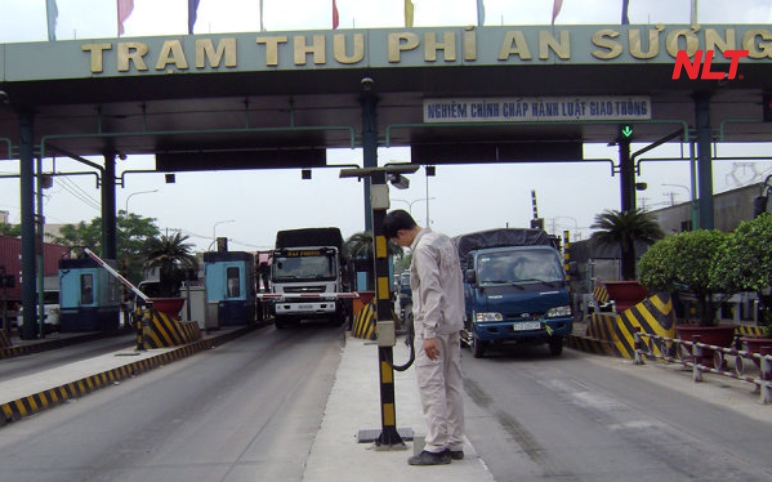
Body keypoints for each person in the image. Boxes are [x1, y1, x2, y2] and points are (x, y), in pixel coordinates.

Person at [383, 209, 466, 466]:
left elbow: (431, 290)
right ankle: (455, 443)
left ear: (402, 232)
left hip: (434, 327)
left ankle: (436, 446)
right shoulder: (443, 240)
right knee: (452, 384)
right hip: (452, 324)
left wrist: (428, 332)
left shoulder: (423, 249)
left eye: (397, 241)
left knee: (431, 386)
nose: (400, 245)